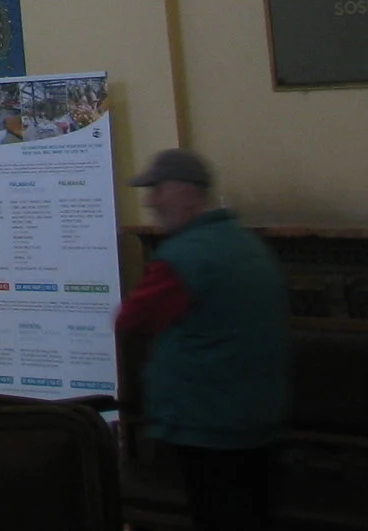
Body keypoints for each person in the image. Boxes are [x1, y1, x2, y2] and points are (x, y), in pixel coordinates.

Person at [115, 148, 288, 531]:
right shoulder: (249, 246)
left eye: (158, 190)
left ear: (187, 192)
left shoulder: (183, 257)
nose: (151, 202)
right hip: (261, 419)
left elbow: (131, 320)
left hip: (207, 424)